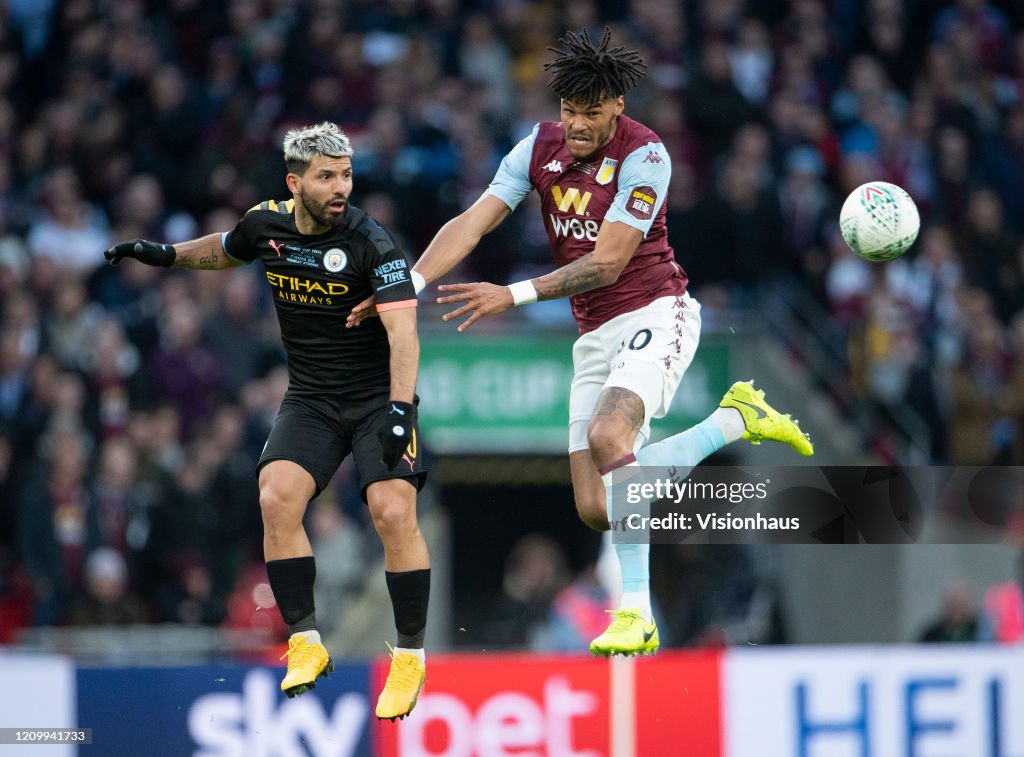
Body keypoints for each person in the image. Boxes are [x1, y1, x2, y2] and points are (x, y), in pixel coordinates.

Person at [350, 28, 814, 657]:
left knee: (608, 440)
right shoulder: (536, 149)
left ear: (617, 106)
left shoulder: (646, 155)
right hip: (593, 333)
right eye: (569, 110)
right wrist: (410, 285)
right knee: (599, 507)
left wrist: (509, 295)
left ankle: (635, 612)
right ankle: (734, 420)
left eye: (591, 112)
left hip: (659, 310)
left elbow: (608, 261)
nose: (576, 125)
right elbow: (472, 222)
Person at [104, 122, 429, 720]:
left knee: (391, 509)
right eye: (327, 177)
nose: (340, 188)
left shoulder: (372, 241)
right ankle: (305, 642)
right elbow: (227, 248)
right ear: (294, 181)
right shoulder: (267, 223)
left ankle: (410, 655)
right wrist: (165, 255)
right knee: (276, 497)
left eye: (347, 175)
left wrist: (402, 412)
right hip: (309, 397)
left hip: (376, 399)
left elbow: (404, 333)